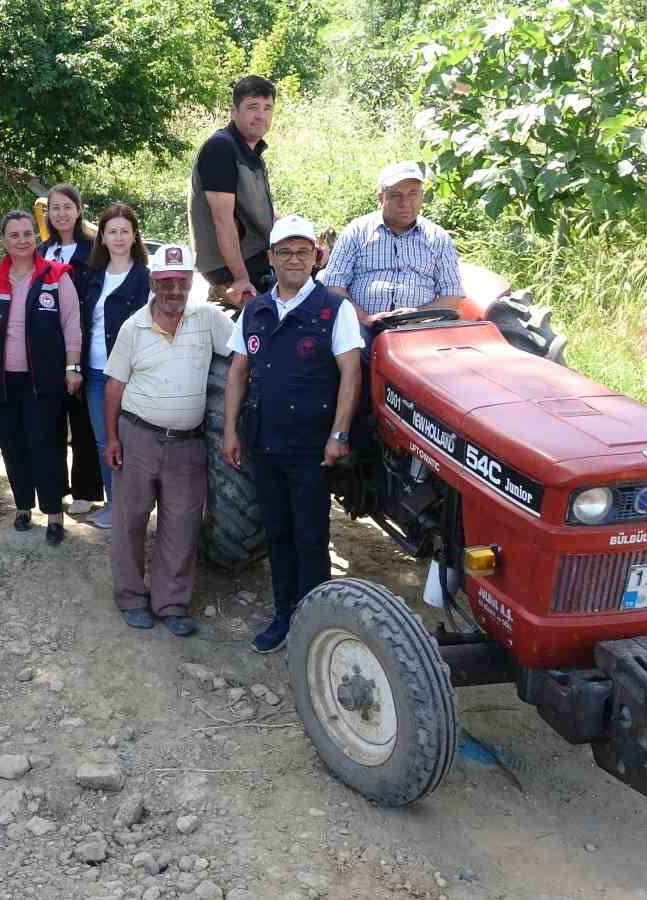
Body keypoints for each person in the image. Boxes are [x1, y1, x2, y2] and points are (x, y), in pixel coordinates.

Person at [223, 215, 365, 653]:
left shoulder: (333, 310)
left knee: (310, 536)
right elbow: (237, 372)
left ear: (316, 257)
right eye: (284, 252)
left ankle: (316, 623)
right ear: (270, 258)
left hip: (310, 447)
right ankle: (285, 613)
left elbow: (351, 373)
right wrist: (230, 429)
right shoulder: (255, 310)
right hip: (264, 442)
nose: (293, 260)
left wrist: (338, 434)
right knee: (277, 533)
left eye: (303, 251)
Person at [103, 244, 235, 634]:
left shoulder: (209, 318)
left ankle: (171, 604)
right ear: (153, 283)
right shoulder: (133, 326)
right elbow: (113, 388)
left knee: (181, 525)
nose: (174, 290)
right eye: (166, 283)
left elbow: (243, 352)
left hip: (187, 444)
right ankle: (130, 597)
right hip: (137, 437)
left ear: (191, 283)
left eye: (181, 282)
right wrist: (111, 439)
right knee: (130, 520)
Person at [0, 211, 84, 545]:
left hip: (43, 381)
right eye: (14, 235)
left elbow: (72, 326)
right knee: (13, 445)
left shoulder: (56, 277)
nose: (21, 240)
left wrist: (72, 368)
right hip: (4, 381)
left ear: (36, 237)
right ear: (3, 240)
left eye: (27, 234)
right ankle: (22, 507)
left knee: (45, 444)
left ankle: (54, 514)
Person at [322, 162, 465, 328]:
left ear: (422, 197)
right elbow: (333, 288)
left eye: (413, 194)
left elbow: (452, 296)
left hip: (422, 330)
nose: (405, 203)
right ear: (381, 198)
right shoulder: (356, 232)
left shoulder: (438, 237)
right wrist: (366, 319)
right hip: (361, 329)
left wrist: (417, 314)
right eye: (396, 195)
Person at [80, 203, 151, 530]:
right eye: (112, 232)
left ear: (134, 236)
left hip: (132, 374)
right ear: (103, 238)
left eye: (125, 231)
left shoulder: (146, 280)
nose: (119, 237)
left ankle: (133, 507)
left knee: (134, 441)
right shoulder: (92, 276)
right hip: (95, 371)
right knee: (104, 439)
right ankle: (114, 504)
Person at [38, 183, 104, 517]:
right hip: (46, 349)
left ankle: (86, 490)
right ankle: (55, 487)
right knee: (50, 422)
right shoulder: (41, 250)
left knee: (83, 423)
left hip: (82, 345)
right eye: (55, 208)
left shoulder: (94, 251)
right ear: (47, 213)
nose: (61, 214)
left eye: (67, 207)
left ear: (79, 210)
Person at [189, 75, 278, 308]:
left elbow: (259, 211)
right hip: (234, 264)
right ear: (234, 111)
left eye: (267, 108)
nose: (261, 115)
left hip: (256, 254)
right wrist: (240, 278)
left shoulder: (251, 152)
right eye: (253, 107)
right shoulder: (220, 149)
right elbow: (222, 220)